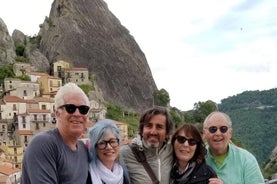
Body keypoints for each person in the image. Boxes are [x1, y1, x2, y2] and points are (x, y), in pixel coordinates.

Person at [21, 82, 90, 184]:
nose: (77, 114)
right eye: (70, 108)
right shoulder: (43, 144)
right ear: (57, 113)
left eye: (83, 109)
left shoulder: (83, 150)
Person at [203, 111, 264, 184]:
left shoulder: (247, 160)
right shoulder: (197, 159)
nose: (218, 133)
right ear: (205, 133)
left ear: (230, 133)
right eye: (213, 129)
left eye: (223, 129)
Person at [120, 106, 174, 184]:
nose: (153, 132)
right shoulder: (125, 153)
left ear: (167, 133)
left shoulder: (171, 151)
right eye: (148, 126)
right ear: (142, 130)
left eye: (159, 127)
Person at [87, 119, 130, 184]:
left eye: (112, 141)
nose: (109, 147)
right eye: (102, 143)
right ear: (95, 147)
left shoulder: (123, 173)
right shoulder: (87, 175)